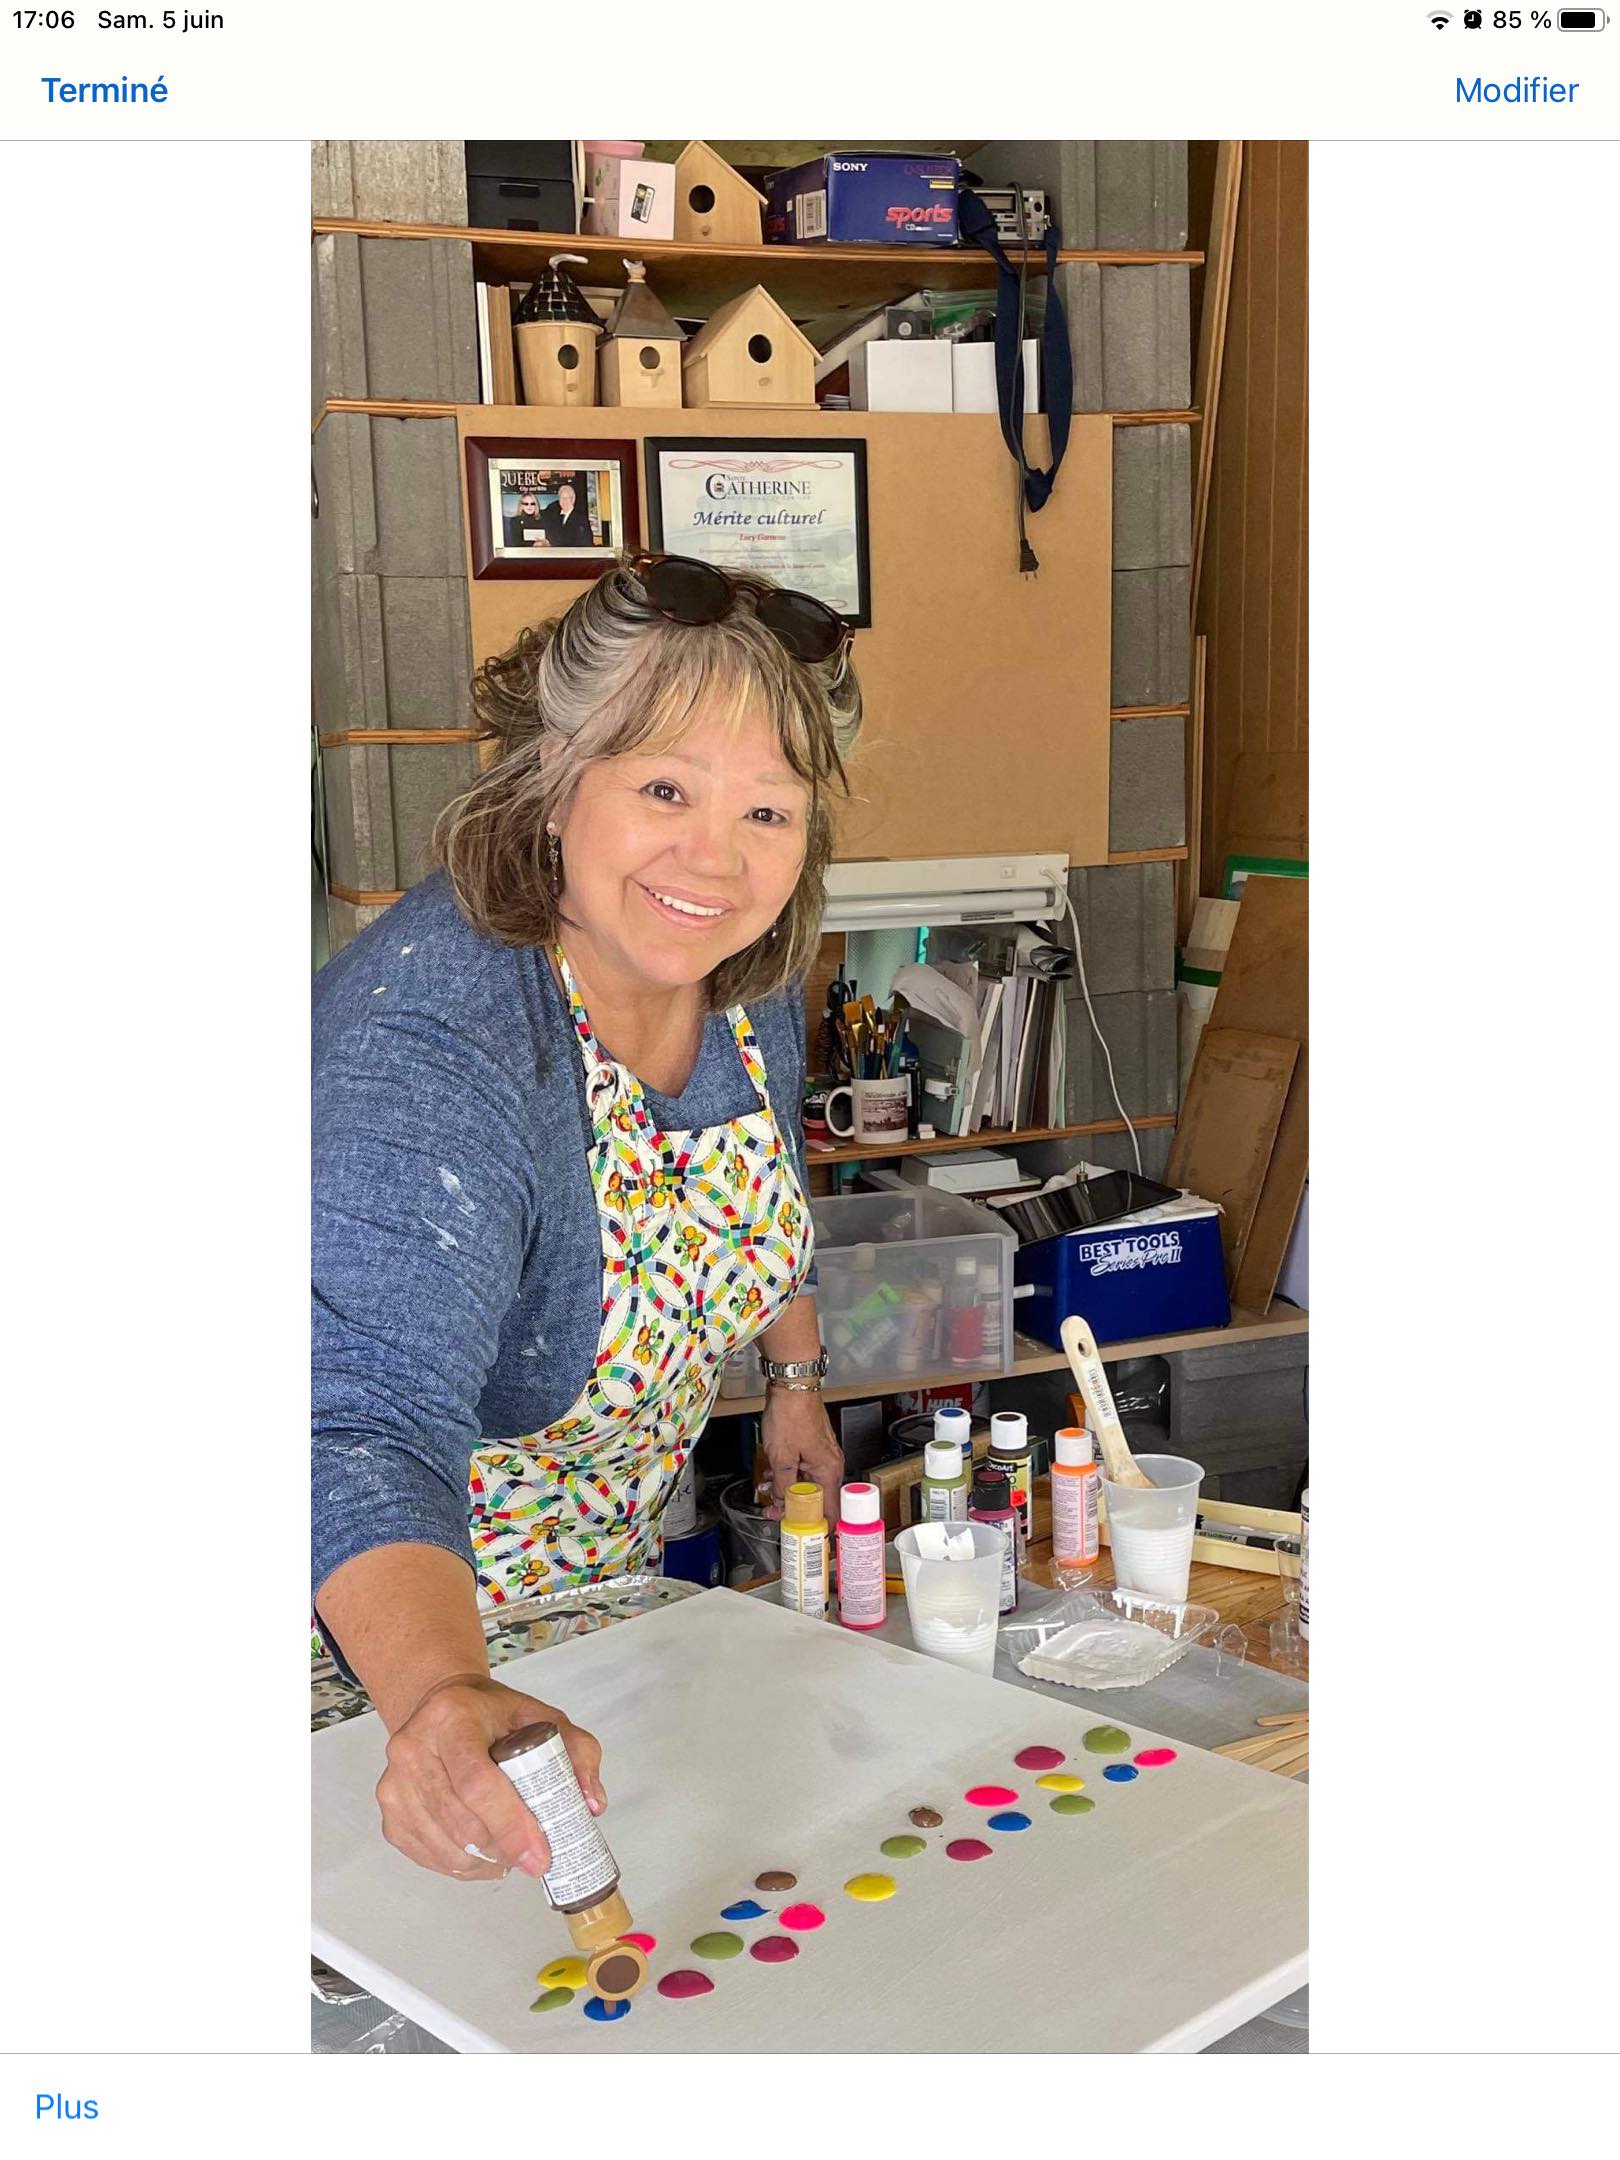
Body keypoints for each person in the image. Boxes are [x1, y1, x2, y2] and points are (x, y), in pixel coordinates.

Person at [312, 553, 860, 1885]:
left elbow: (764, 1179)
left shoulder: (738, 974)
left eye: (768, 810)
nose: (716, 858)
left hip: (603, 1622)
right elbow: (351, 1419)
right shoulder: (433, 1040)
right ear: (558, 778)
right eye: (665, 789)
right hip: (377, 1681)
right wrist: (442, 1695)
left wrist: (792, 1382)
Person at [533, 474, 596, 550]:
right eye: (562, 498)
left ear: (573, 499)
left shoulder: (581, 519)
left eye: (567, 498)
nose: (564, 501)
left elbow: (586, 544)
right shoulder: (554, 516)